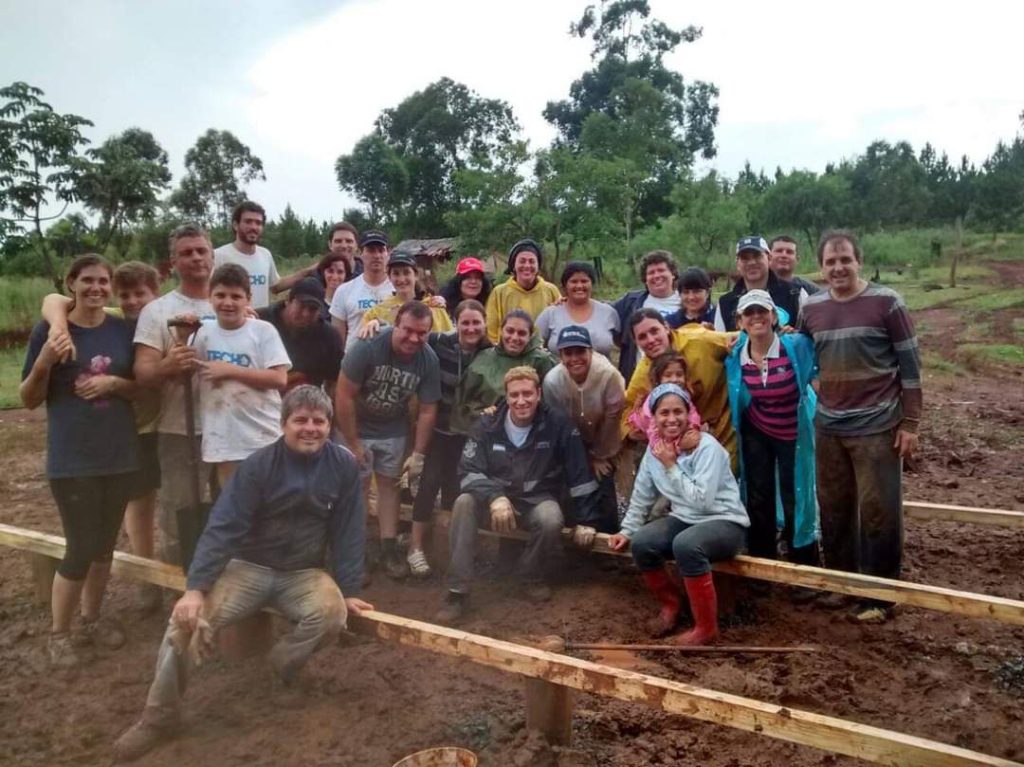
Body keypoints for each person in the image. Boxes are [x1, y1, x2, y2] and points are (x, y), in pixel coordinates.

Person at [112, 386, 373, 763]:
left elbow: (349, 529)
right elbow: (223, 526)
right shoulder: (258, 466)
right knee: (187, 623)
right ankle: (159, 717)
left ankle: (282, 665)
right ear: (283, 424)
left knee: (333, 615)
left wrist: (347, 589)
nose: (310, 428)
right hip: (248, 567)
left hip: (303, 572)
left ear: (330, 426)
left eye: (319, 421)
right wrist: (196, 589)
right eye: (300, 420)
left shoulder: (343, 466)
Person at [797, 230, 922, 623]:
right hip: (829, 425)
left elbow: (911, 368)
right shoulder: (812, 309)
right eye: (831, 262)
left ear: (859, 261)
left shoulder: (887, 303)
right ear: (820, 268)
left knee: (878, 510)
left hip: (877, 424)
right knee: (833, 509)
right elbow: (802, 354)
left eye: (845, 260)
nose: (838, 268)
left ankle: (878, 596)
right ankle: (841, 585)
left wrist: (911, 423)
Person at [21, 254, 140, 666]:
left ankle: (91, 619)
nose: (96, 288)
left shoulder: (122, 330)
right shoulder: (50, 331)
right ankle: (59, 633)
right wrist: (45, 361)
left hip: (119, 454)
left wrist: (114, 382)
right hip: (72, 459)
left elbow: (140, 387)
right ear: (71, 283)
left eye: (102, 281)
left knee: (105, 546)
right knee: (81, 546)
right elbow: (28, 399)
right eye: (87, 280)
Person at [39, 261, 165, 612]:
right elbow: (53, 300)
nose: (132, 301)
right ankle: (144, 581)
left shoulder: (166, 319)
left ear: (157, 294)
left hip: (159, 426)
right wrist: (59, 325)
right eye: (124, 294)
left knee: (160, 507)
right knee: (136, 509)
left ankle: (163, 577)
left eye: (141, 293)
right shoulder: (114, 321)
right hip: (121, 433)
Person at [435, 366, 603, 623]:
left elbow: (579, 475)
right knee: (463, 502)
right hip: (495, 501)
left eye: (527, 393)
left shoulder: (558, 424)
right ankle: (457, 591)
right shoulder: (487, 424)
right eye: (514, 395)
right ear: (506, 396)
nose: (521, 400)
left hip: (536, 498)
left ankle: (530, 575)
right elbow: (468, 472)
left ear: (538, 394)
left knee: (550, 518)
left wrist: (587, 521)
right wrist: (495, 497)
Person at [609, 384, 749, 645]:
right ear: (653, 416)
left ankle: (706, 629)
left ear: (689, 413)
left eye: (678, 411)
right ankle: (671, 606)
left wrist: (672, 465)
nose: (671, 419)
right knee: (643, 543)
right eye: (663, 413)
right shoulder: (656, 451)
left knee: (686, 545)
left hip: (724, 521)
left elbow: (703, 501)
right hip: (686, 519)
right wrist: (626, 530)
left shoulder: (706, 448)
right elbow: (642, 496)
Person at [335, 301, 441, 580]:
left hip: (393, 427)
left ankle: (388, 546)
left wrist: (418, 454)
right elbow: (343, 394)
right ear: (396, 323)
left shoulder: (427, 359)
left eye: (422, 333)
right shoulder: (368, 347)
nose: (413, 338)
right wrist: (352, 441)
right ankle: (353, 551)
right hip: (357, 424)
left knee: (389, 486)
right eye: (407, 330)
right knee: (354, 488)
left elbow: (429, 408)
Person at [134, 224, 217, 566]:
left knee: (234, 510)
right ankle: (180, 594)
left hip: (229, 427)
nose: (196, 257)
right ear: (173, 262)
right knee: (180, 516)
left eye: (201, 250)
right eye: (187, 252)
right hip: (179, 430)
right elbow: (143, 372)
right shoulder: (157, 311)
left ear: (212, 255)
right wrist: (168, 365)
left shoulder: (232, 302)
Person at [725, 290, 819, 567]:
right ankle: (763, 562)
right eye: (749, 313)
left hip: (793, 430)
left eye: (762, 311)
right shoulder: (734, 355)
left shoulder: (798, 346)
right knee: (757, 493)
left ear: (774, 316)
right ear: (740, 320)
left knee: (796, 494)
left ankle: (802, 564)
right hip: (757, 430)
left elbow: (821, 359)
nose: (757, 317)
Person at [406, 299, 492, 577]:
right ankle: (415, 547)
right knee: (428, 483)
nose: (471, 328)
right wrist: (373, 324)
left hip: (471, 435)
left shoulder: (492, 353)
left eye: (476, 322)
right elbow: (408, 332)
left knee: (460, 491)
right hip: (440, 430)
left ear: (485, 323)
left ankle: (459, 548)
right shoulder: (439, 342)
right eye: (465, 322)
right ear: (456, 323)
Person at [189, 264, 290, 486]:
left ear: (248, 299)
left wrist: (230, 370)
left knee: (269, 501)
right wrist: (181, 336)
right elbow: (186, 370)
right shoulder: (201, 333)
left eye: (236, 296)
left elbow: (279, 378)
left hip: (263, 434)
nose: (228, 302)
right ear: (209, 296)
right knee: (234, 502)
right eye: (221, 295)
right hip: (223, 435)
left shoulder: (263, 331)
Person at [620, 309, 736, 469]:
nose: (651, 340)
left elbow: (740, 338)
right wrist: (635, 432)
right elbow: (626, 411)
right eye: (642, 337)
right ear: (636, 342)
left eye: (654, 331)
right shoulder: (643, 374)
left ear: (666, 327)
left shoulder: (699, 340)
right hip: (686, 441)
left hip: (728, 423)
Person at [541, 326, 625, 533]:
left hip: (604, 433)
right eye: (568, 353)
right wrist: (580, 456)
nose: (575, 358)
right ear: (560, 355)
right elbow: (559, 423)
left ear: (591, 351)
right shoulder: (552, 381)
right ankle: (571, 536)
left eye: (580, 352)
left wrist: (599, 454)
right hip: (570, 435)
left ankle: (609, 539)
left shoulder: (609, 376)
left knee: (602, 475)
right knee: (570, 478)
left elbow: (613, 418)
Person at [452, 309, 557, 434]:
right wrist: (483, 413)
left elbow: (553, 402)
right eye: (510, 331)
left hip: (532, 433)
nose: (514, 338)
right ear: (501, 331)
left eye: (522, 333)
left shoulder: (542, 361)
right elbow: (464, 403)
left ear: (531, 336)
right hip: (488, 432)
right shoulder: (483, 359)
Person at [257, 276, 342, 392]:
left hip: (305, 403)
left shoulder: (329, 337)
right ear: (288, 301)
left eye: (313, 309)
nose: (306, 314)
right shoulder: (259, 321)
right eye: (302, 305)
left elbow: (334, 382)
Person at [612, 250, 681, 385]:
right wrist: (567, 303)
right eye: (651, 272)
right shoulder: (630, 302)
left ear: (673, 274)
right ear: (645, 279)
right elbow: (601, 312)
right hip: (640, 381)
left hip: (677, 379)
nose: (656, 276)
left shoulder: (688, 302)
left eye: (661, 270)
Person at [714, 236, 807, 333]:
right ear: (738, 264)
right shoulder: (725, 303)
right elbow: (720, 343)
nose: (752, 262)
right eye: (745, 258)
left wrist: (794, 337)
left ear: (769, 258)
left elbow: (811, 336)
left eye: (757, 256)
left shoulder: (795, 293)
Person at [536, 261, 620, 357]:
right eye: (574, 281)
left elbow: (623, 344)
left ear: (592, 284)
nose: (579, 286)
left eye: (584, 281)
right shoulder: (550, 314)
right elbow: (535, 347)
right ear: (565, 285)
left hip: (601, 371)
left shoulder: (608, 312)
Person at [484, 238, 561, 343]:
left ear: (538, 266)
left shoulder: (551, 290)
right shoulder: (499, 292)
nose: (527, 266)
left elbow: (560, 324)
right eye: (522, 261)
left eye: (532, 261)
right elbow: (491, 331)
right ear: (513, 265)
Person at [329, 230, 394, 350]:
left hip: (390, 362)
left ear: (388, 253)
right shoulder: (344, 291)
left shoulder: (399, 289)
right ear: (360, 253)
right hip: (355, 361)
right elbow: (337, 340)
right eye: (371, 250)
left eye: (381, 250)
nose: (377, 256)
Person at [358, 253, 453, 335]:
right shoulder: (378, 312)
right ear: (389, 277)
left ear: (415, 275)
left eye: (406, 272)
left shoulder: (434, 306)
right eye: (396, 273)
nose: (401, 279)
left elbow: (448, 341)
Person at [626, 351, 703, 450]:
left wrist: (694, 428)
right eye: (668, 375)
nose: (674, 379)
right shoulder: (654, 402)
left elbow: (692, 413)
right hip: (645, 431)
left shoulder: (684, 394)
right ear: (658, 380)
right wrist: (677, 447)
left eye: (679, 375)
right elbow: (654, 434)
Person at [213, 201, 284, 309]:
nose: (254, 227)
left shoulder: (265, 254)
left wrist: (310, 270)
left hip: (259, 323)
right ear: (235, 225)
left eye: (258, 223)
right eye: (248, 222)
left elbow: (275, 286)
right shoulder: (218, 255)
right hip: (231, 324)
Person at [314, 251, 349, 321]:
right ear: (323, 273)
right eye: (330, 271)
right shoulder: (315, 301)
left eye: (340, 272)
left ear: (346, 275)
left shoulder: (351, 302)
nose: (335, 277)